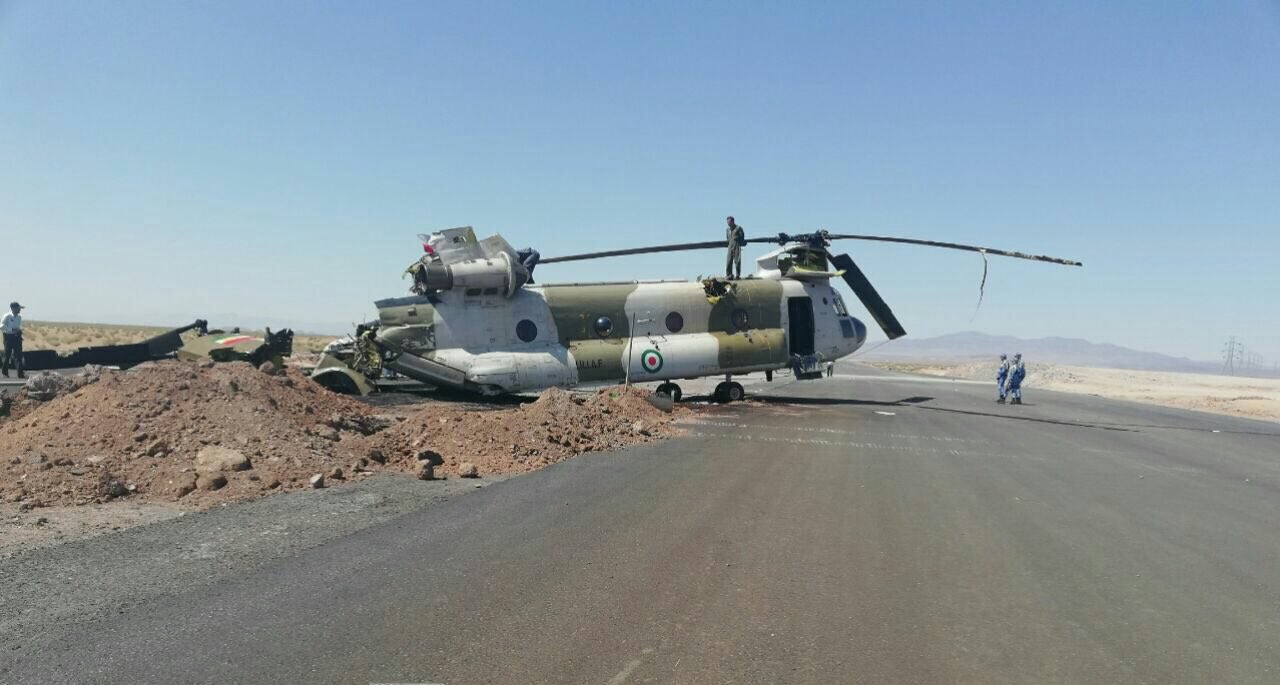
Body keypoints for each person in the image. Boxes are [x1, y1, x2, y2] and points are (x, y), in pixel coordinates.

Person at [1, 301, 24, 379]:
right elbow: (1, 326)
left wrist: (19, 330)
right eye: (18, 308)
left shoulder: (19, 317)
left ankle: (20, 374)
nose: (19, 310)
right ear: (13, 308)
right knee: (7, 355)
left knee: (18, 355)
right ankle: (5, 373)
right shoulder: (7, 316)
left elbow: (18, 326)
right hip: (8, 337)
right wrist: (11, 329)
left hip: (16, 337)